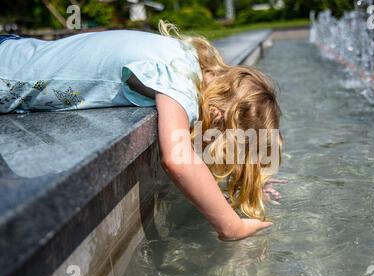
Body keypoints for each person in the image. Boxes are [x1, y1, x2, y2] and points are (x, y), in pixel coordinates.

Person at [0, 21, 286, 240]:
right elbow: (179, 159)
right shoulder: (178, 83)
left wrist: (248, 178)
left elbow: (191, 144)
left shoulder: (186, 61)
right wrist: (231, 225)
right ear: (218, 115)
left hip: (14, 51)